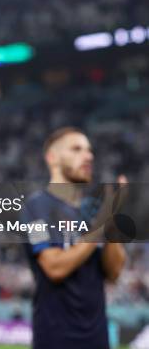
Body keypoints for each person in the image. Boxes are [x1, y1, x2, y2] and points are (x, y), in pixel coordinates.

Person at [22, 127, 127, 349]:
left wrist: (111, 220)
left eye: (89, 150)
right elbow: (55, 268)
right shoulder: (36, 208)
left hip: (97, 339)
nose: (89, 156)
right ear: (52, 158)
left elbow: (114, 272)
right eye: (76, 149)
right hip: (56, 339)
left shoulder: (91, 212)